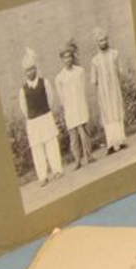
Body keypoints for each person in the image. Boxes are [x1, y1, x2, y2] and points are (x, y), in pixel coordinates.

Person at [17, 48, 64, 187]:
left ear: (36, 69)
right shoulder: (23, 90)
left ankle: (57, 170)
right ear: (25, 73)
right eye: (28, 70)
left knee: (51, 144)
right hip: (33, 122)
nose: (30, 72)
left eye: (32, 69)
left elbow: (50, 99)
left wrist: (45, 111)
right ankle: (42, 176)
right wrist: (33, 116)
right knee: (37, 149)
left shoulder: (45, 83)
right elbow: (24, 109)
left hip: (46, 117)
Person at [54, 41, 94, 169]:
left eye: (70, 56)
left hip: (80, 105)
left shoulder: (80, 71)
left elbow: (82, 88)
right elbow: (61, 96)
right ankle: (77, 159)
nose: (68, 59)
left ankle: (89, 155)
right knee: (74, 136)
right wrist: (68, 107)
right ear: (61, 59)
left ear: (73, 57)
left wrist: (81, 103)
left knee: (85, 131)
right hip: (70, 109)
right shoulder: (59, 77)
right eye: (65, 57)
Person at [89, 27, 127, 155]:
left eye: (105, 39)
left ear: (108, 40)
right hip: (103, 93)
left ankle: (121, 141)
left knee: (117, 112)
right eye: (100, 40)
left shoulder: (115, 54)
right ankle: (111, 144)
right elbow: (94, 80)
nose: (103, 42)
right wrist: (101, 92)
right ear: (97, 43)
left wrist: (116, 85)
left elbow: (120, 71)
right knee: (108, 116)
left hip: (114, 89)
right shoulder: (95, 60)